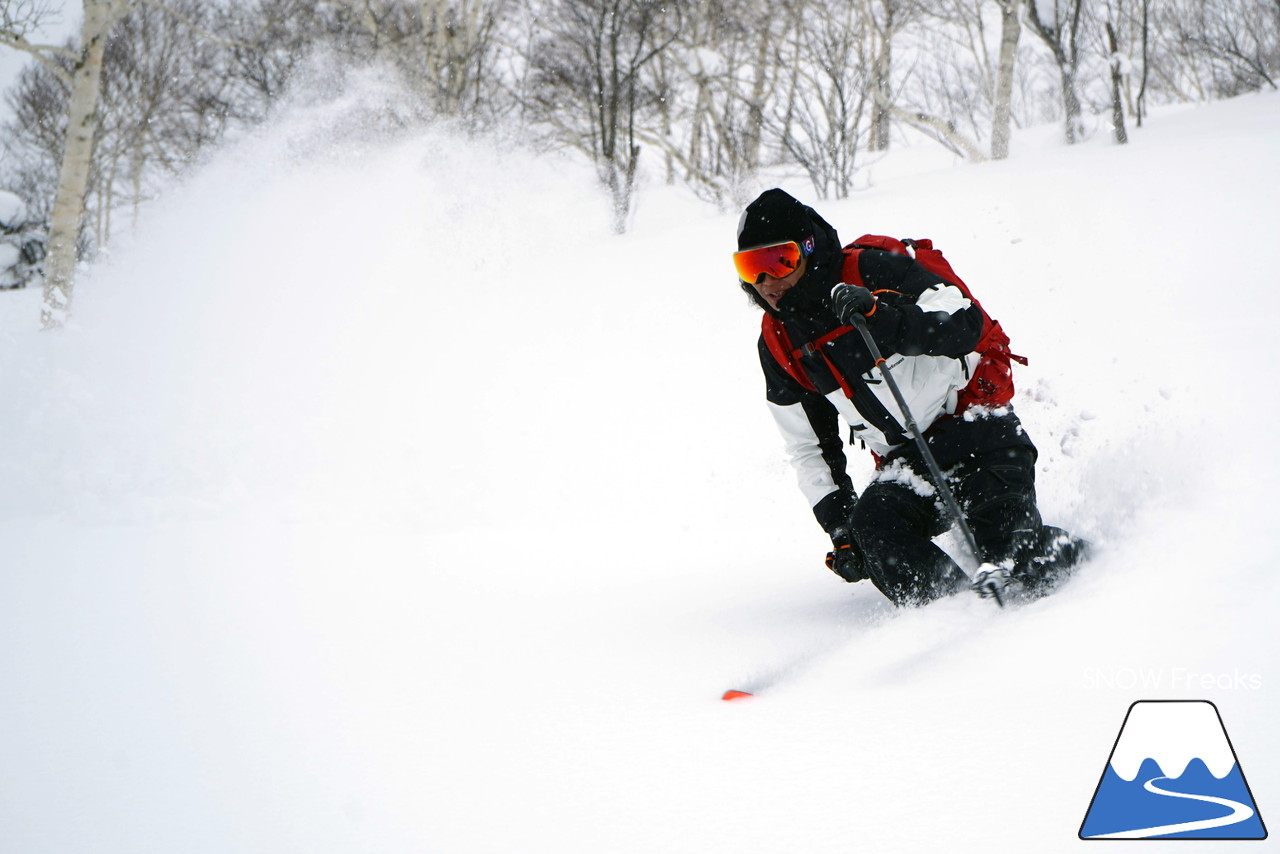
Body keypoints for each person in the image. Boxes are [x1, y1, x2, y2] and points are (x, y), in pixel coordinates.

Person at [734, 188, 1087, 606]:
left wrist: (884, 320)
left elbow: (965, 322)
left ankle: (1091, 568)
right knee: (874, 533)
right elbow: (808, 447)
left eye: (779, 260)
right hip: (908, 463)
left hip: (978, 431)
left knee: (1012, 557)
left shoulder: (871, 270)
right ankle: (953, 615)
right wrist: (841, 527)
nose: (766, 281)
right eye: (751, 267)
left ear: (808, 250)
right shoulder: (779, 343)